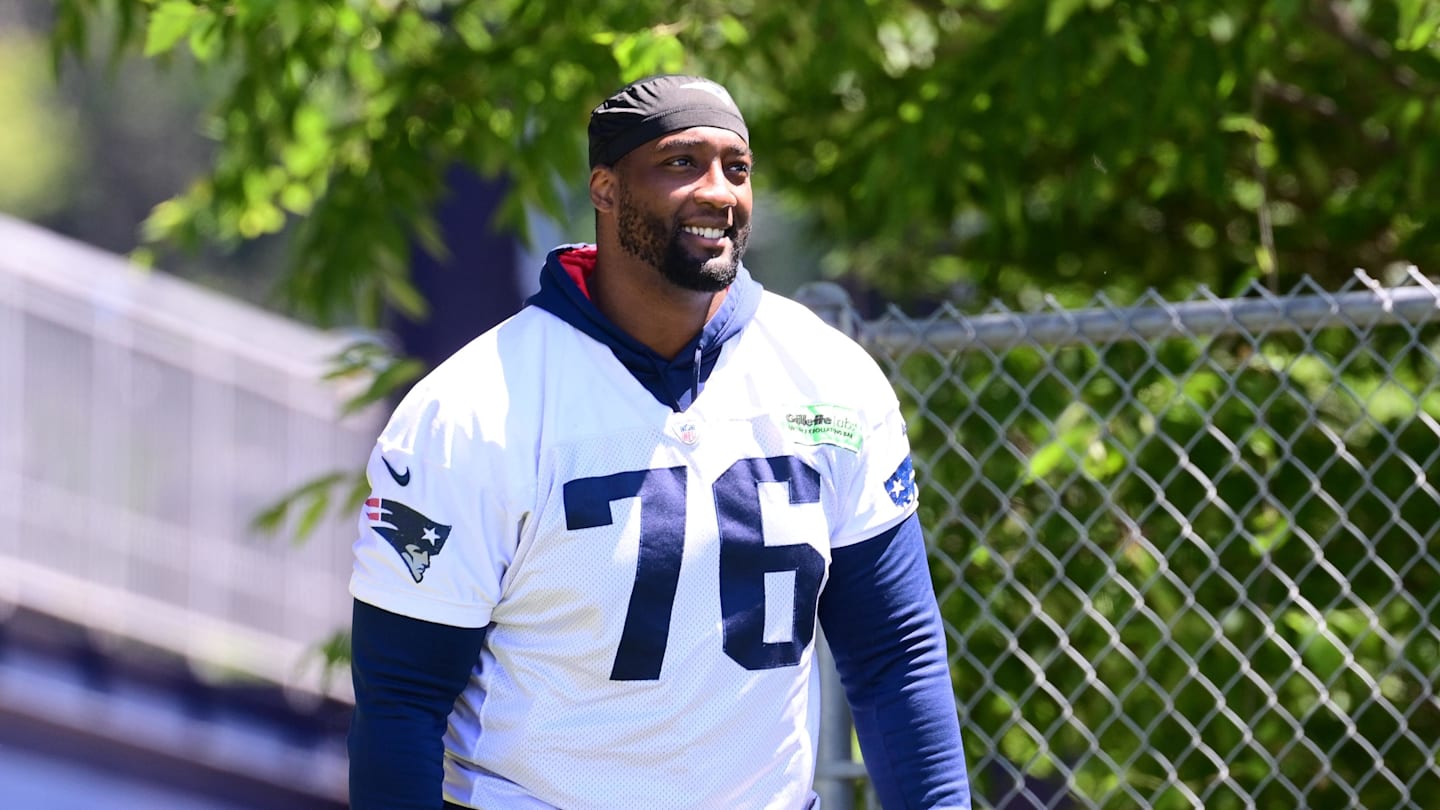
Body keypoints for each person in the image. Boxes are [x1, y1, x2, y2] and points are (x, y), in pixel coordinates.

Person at [347, 73, 971, 810]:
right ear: (605, 189)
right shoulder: (469, 410)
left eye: (737, 168)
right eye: (682, 163)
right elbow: (402, 702)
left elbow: (894, 656)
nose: (718, 192)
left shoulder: (830, 378)